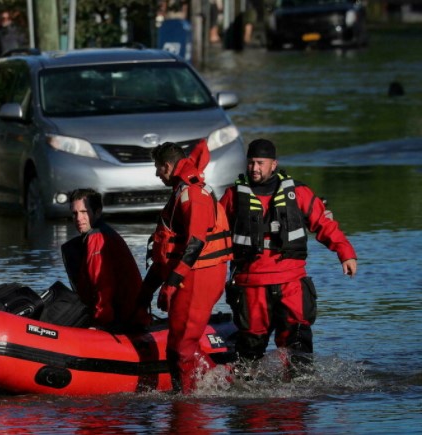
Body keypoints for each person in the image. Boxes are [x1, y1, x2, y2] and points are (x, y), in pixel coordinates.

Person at [219, 138, 357, 376]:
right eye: (251, 163)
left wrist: (345, 253)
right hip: (251, 285)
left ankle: (298, 402)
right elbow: (213, 233)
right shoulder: (233, 197)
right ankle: (250, 405)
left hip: (291, 282)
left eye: (260, 163)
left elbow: (324, 224)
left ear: (274, 164)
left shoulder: (299, 193)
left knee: (298, 348)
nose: (254, 168)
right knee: (249, 353)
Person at [136, 140, 233, 394]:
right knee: (181, 343)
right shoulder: (181, 192)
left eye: (158, 168)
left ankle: (187, 404)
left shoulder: (193, 195)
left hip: (198, 275)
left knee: (180, 348)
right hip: (191, 274)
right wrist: (147, 290)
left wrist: (171, 283)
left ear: (167, 166)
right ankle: (220, 383)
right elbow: (170, 248)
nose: (157, 174)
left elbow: (196, 242)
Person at [60, 188, 148, 332]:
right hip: (127, 316)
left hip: (124, 321)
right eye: (74, 213)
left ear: (98, 212)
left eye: (84, 212)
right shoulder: (100, 234)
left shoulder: (97, 237)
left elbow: (102, 284)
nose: (78, 218)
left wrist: (101, 322)